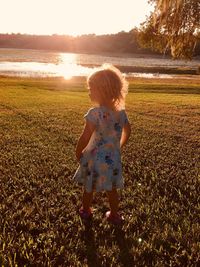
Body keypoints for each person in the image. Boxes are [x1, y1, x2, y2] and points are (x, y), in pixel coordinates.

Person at [73, 64, 131, 225]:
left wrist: (79, 152)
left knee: (89, 185)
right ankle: (114, 214)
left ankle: (86, 210)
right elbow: (128, 131)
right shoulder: (121, 114)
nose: (89, 91)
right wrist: (119, 146)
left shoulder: (95, 114)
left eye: (91, 88)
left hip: (93, 158)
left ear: (102, 91)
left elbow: (85, 137)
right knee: (111, 187)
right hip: (112, 158)